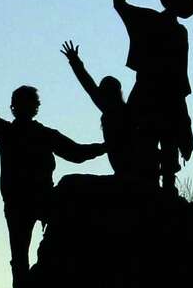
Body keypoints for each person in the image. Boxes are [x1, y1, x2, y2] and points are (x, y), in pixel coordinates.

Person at [0, 53, 106, 288]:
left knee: (24, 249)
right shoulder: (21, 133)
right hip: (23, 202)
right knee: (22, 250)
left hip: (31, 200)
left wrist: (104, 147)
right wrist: (105, 147)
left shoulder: (16, 132)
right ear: (31, 107)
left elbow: (76, 153)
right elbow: (76, 153)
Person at [111, 0, 193, 192]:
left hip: (166, 92)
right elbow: (120, 4)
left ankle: (163, 188)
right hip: (154, 90)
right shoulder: (150, 20)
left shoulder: (177, 30)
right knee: (148, 137)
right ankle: (151, 186)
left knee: (164, 141)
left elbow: (180, 67)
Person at [59, 40, 156, 185]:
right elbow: (88, 85)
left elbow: (89, 85)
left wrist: (75, 61)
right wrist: (75, 61)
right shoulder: (121, 110)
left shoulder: (121, 112)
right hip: (128, 170)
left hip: (133, 170)